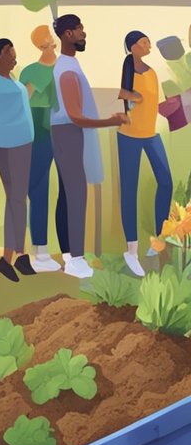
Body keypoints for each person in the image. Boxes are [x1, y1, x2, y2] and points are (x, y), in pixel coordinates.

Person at [50, 14, 128, 279]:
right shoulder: (67, 70)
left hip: (67, 133)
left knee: (68, 194)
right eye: (79, 29)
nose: (84, 32)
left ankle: (70, 255)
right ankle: (76, 259)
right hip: (68, 133)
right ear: (66, 34)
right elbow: (75, 115)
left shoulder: (69, 64)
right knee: (75, 194)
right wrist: (111, 120)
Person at [116, 30, 174, 277]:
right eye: (143, 42)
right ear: (132, 48)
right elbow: (123, 94)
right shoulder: (129, 71)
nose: (149, 45)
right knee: (129, 191)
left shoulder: (152, 72)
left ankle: (158, 238)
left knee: (166, 182)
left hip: (150, 135)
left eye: (149, 41)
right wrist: (135, 97)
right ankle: (131, 250)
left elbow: (156, 104)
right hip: (129, 136)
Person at [0, 38, 37, 281]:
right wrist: (30, 90)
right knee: (18, 199)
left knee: (14, 199)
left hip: (6, 144)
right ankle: (20, 254)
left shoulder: (7, 82)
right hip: (14, 145)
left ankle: (8, 257)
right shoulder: (4, 87)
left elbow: (21, 99)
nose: (15, 57)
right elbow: (19, 102)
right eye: (10, 54)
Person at [20, 25, 67, 272]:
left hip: (63, 126)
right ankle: (41, 252)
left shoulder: (65, 67)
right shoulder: (31, 71)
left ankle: (70, 253)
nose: (51, 39)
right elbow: (24, 104)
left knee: (68, 189)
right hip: (39, 129)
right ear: (40, 43)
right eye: (46, 36)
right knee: (37, 188)